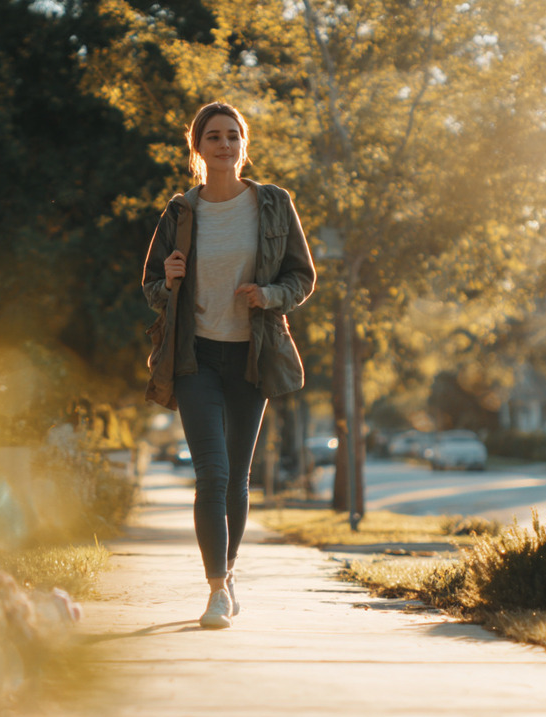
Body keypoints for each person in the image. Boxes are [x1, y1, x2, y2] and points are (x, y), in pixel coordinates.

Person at [141, 101, 316, 629]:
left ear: (244, 145)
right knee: (211, 475)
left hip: (251, 354)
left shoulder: (273, 204)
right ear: (198, 148)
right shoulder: (178, 212)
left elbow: (301, 278)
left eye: (232, 136)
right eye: (213, 137)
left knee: (237, 477)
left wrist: (267, 294)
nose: (224, 145)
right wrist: (169, 280)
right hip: (195, 356)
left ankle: (231, 571)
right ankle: (216, 590)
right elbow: (150, 286)